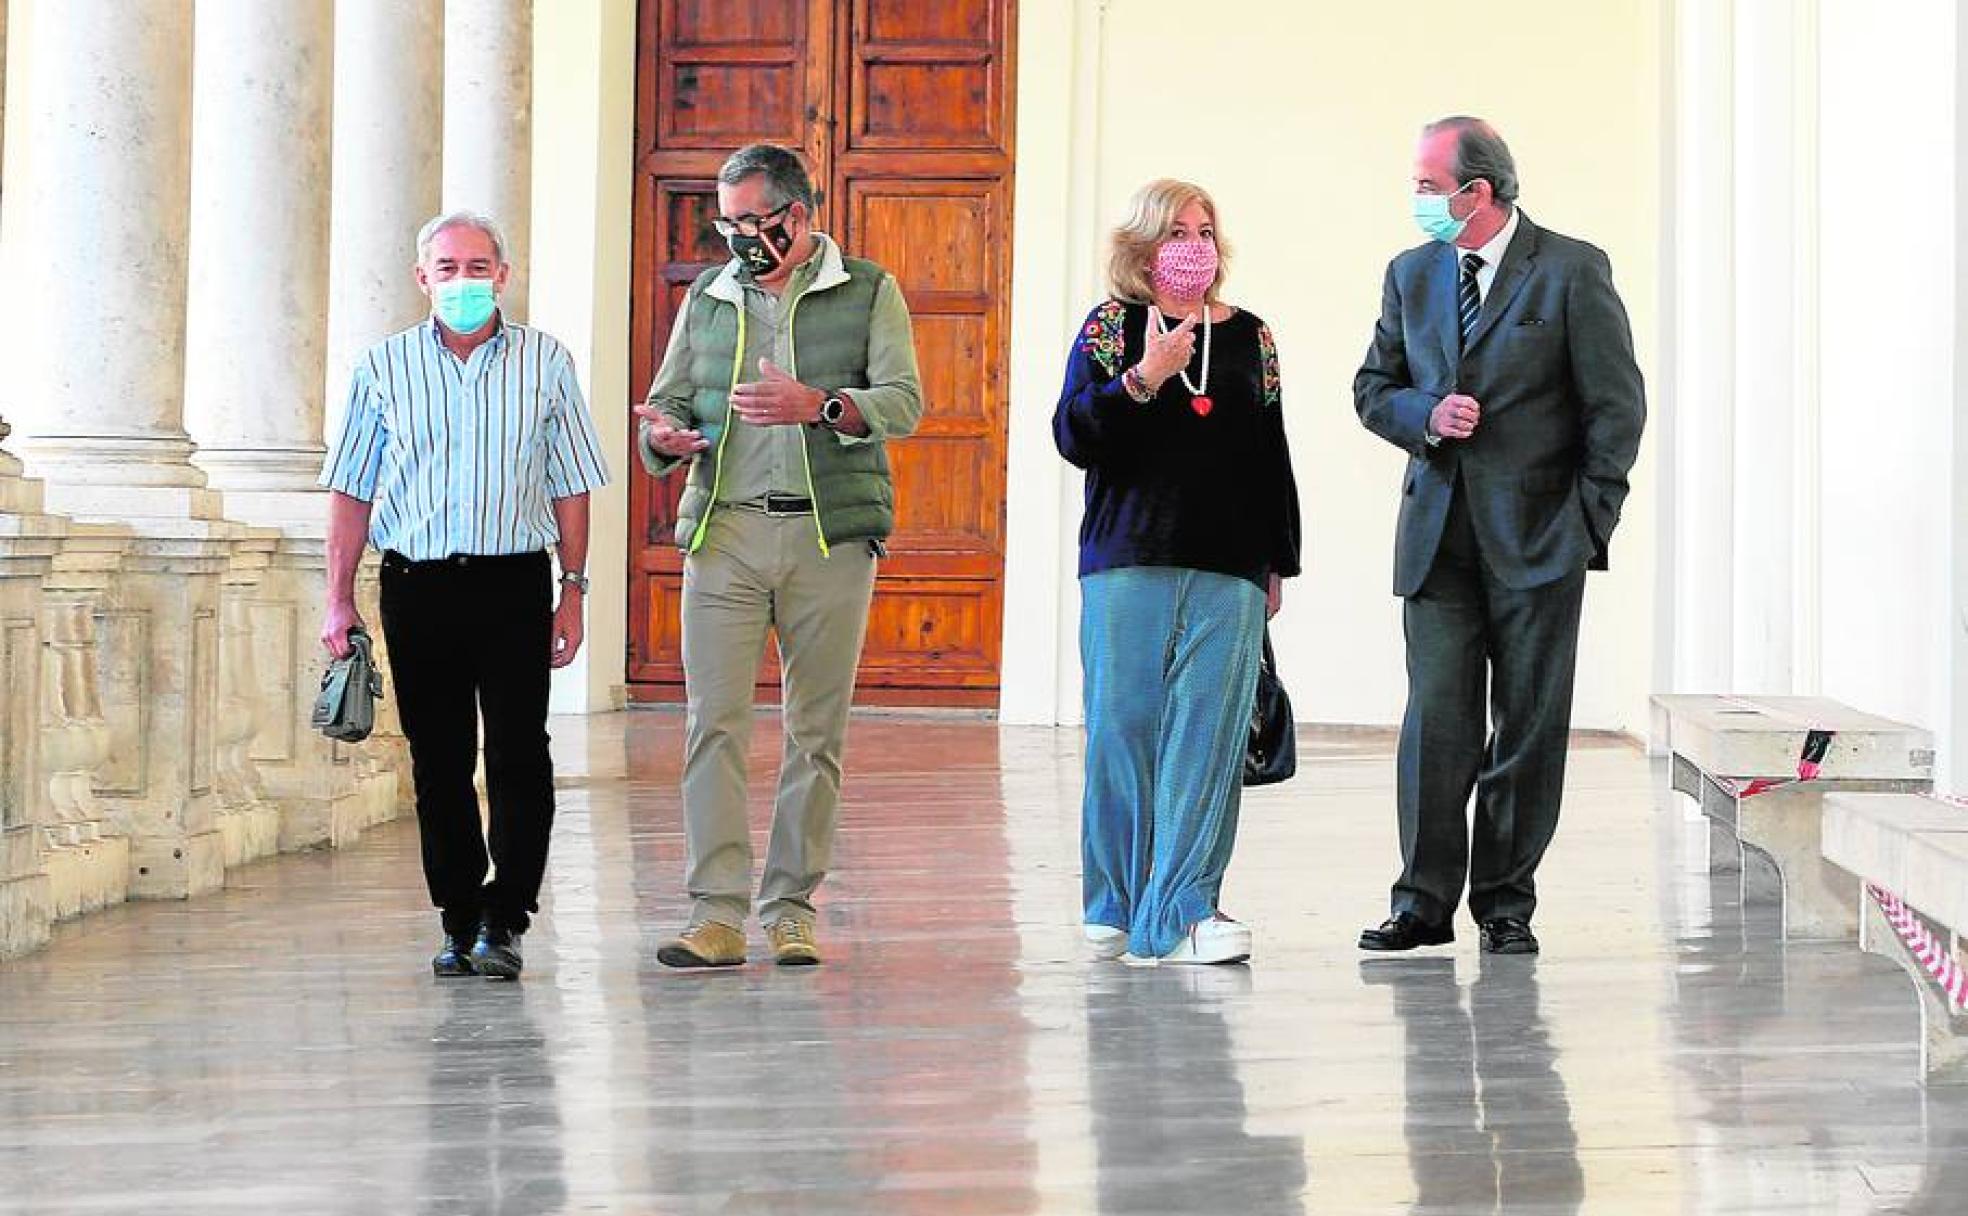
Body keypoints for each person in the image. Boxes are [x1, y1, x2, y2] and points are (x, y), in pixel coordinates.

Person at [1353, 117, 1645, 956]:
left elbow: (1616, 408)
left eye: (1425, 184)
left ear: (1475, 192)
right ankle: (1421, 904)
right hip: (1437, 543)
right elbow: (1374, 387)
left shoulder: (1571, 269)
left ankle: (1506, 904)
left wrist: (1590, 521)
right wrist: (1425, 414)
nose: (1416, 199)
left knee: (1526, 727)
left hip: (1539, 543)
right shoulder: (1409, 275)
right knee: (1436, 725)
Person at [634, 144, 923, 968]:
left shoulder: (867, 289)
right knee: (712, 724)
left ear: (796, 216)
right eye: (727, 223)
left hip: (827, 537)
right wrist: (664, 433)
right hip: (723, 533)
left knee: (814, 731)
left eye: (751, 222)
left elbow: (903, 403)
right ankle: (715, 914)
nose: (737, 239)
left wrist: (820, 404)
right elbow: (669, 397)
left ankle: (791, 906)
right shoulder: (711, 295)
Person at [319, 211, 610, 981]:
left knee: (520, 754)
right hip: (418, 584)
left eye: (478, 267)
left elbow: (573, 483)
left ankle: (507, 917)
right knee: (438, 760)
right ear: (423, 279)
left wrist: (573, 591)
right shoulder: (382, 368)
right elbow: (350, 488)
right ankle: (457, 916)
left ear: (503, 275)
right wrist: (337, 599)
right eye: (447, 268)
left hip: (514, 581)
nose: (463, 281)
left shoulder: (546, 363)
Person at [1053, 179, 1301, 966]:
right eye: (1176, 231)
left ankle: (1188, 910)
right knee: (1122, 732)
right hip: (1126, 557)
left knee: (1208, 736)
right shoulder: (1110, 328)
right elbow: (1075, 434)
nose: (1194, 243)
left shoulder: (1251, 336)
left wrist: (1277, 559)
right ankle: (1116, 903)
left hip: (1228, 563)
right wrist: (1145, 374)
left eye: (1205, 229)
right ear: (1144, 246)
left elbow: (1271, 449)